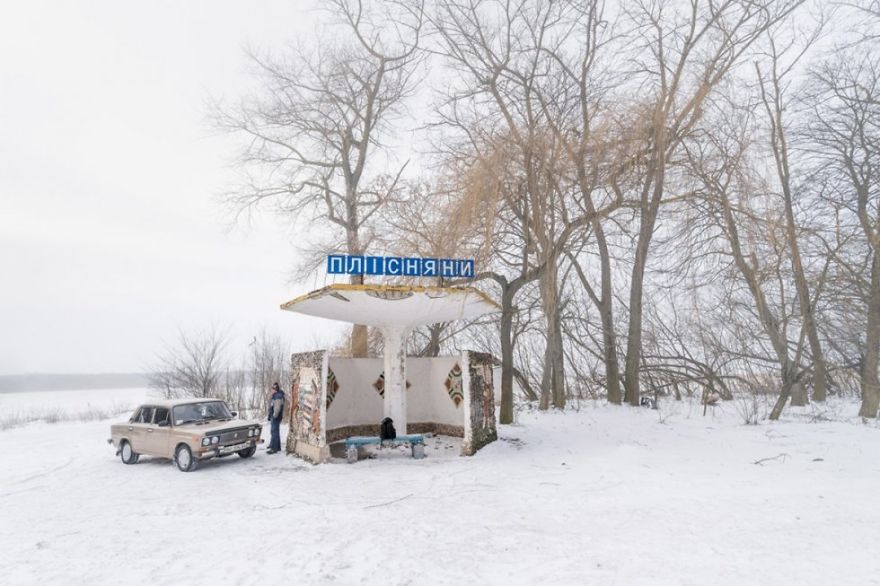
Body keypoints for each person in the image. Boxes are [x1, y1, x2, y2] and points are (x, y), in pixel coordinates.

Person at [267, 382, 285, 454]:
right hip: (275, 416)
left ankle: (274, 448)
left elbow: (277, 408)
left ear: (275, 389)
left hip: (276, 417)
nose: (271, 390)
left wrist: (274, 416)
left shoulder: (277, 397)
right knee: (275, 431)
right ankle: (277, 446)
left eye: (273, 389)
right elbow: (272, 406)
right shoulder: (276, 395)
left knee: (274, 432)